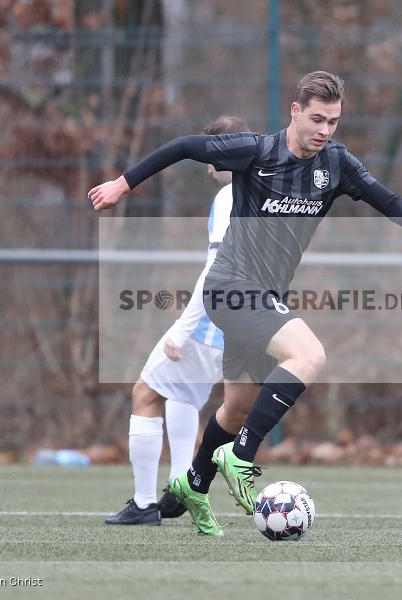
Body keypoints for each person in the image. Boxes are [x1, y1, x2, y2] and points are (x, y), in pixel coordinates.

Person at [90, 71, 402, 536]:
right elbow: (181, 146)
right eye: (317, 119)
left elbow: (389, 203)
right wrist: (123, 183)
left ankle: (193, 485)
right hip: (229, 287)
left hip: (264, 299)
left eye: (334, 122)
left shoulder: (337, 164)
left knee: (236, 405)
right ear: (295, 111)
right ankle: (240, 457)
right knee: (310, 355)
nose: (325, 130)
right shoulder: (255, 151)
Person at [103, 116, 248, 526]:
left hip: (214, 321)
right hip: (249, 325)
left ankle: (144, 504)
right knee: (183, 395)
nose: (206, 166)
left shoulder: (230, 196)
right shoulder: (261, 191)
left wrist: (183, 327)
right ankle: (181, 484)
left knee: (146, 392)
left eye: (209, 156)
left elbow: (220, 266)